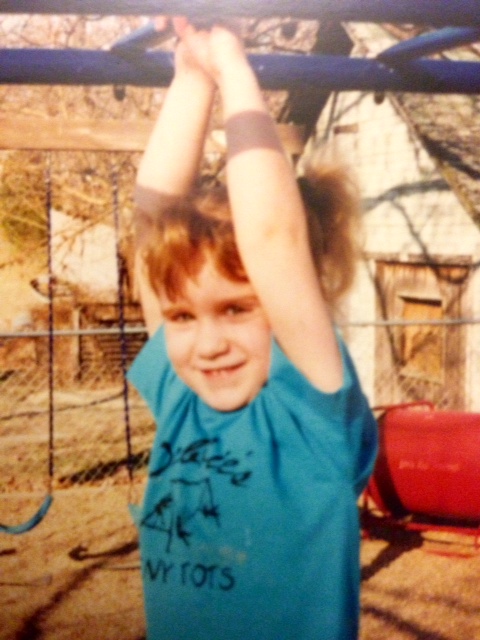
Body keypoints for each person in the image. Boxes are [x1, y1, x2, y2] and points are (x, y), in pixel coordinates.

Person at [128, 17, 378, 640]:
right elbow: (148, 227)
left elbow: (272, 239)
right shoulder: (182, 398)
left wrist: (232, 67)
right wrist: (192, 75)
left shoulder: (312, 418)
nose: (208, 344)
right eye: (182, 317)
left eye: (237, 309)